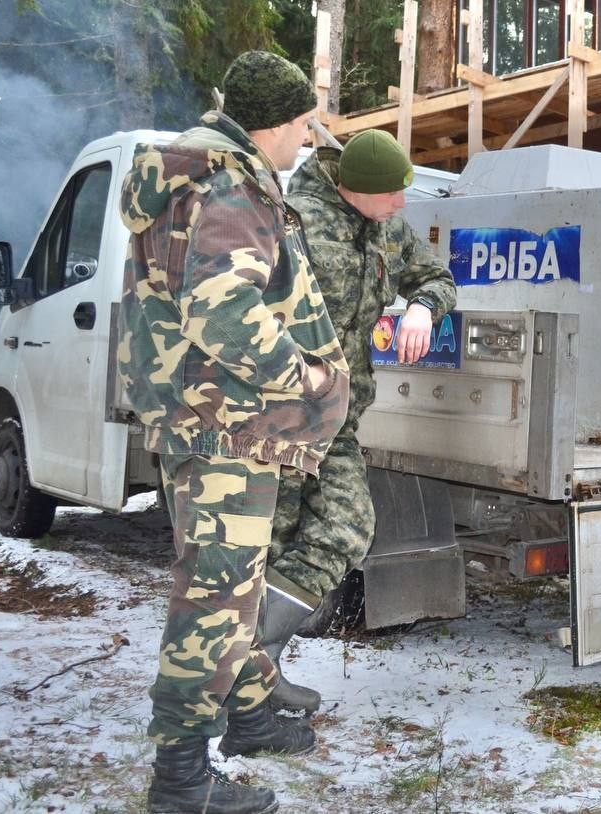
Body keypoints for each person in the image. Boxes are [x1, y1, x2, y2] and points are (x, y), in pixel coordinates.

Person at [119, 51, 350, 813]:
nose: (307, 141)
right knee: (216, 600)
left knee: (233, 587)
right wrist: (307, 379)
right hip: (228, 424)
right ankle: (181, 779)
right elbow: (222, 311)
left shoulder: (201, 178)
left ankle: (248, 716)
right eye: (304, 126)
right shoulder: (229, 187)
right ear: (274, 124)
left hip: (212, 417)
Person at [265, 129, 456, 712]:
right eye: (391, 194)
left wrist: (422, 308)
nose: (401, 203)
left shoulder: (387, 228)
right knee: (268, 544)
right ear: (353, 189)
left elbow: (436, 277)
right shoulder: (290, 222)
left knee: (348, 526)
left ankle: (250, 664)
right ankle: (252, 680)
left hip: (340, 417)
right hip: (279, 417)